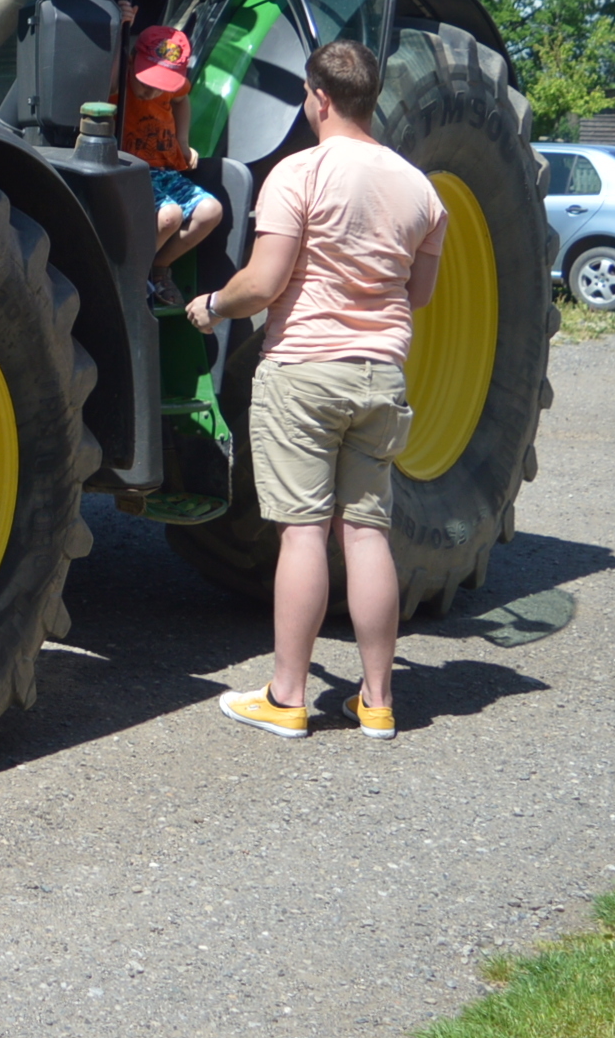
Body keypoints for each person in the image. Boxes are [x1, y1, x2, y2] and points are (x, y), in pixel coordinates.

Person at [185, 38, 445, 740]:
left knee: (302, 534)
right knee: (365, 535)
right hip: (380, 375)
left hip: (303, 371)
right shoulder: (422, 190)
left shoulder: (298, 174)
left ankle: (288, 696)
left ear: (319, 98)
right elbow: (418, 294)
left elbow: (264, 284)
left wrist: (211, 305)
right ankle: (379, 701)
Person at [122, 24, 225, 306]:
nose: (151, 93)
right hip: (129, 170)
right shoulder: (118, 79)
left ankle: (158, 268)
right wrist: (122, 24)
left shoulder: (172, 86)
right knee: (170, 216)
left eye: (160, 87)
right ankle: (129, 277)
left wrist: (182, 140)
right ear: (130, 60)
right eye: (146, 83)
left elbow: (181, 100)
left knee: (210, 211)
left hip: (163, 169)